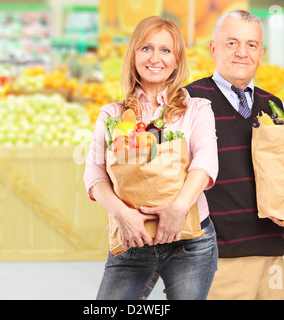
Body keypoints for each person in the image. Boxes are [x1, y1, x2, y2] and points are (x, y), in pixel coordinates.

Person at [83, 16, 218, 300]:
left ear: (177, 60)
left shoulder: (197, 108)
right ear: (133, 55)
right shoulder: (112, 114)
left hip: (190, 241)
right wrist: (122, 214)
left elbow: (205, 161)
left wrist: (178, 208)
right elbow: (94, 172)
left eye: (165, 50)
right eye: (146, 48)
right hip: (131, 235)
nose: (155, 58)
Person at [184, 10, 284, 300]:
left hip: (270, 254)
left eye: (251, 44)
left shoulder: (276, 107)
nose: (242, 52)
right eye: (231, 43)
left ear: (261, 52)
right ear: (213, 48)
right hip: (214, 256)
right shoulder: (188, 102)